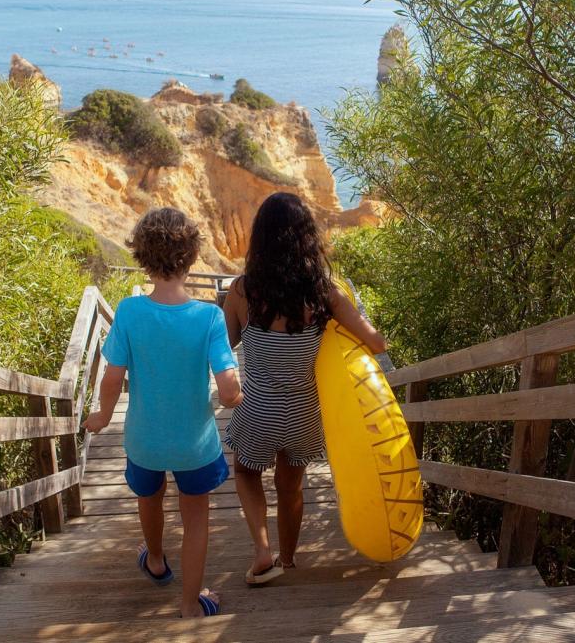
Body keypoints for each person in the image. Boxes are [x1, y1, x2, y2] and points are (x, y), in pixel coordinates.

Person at [83, 207, 243, 618]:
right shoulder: (208, 316)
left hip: (144, 440)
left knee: (149, 498)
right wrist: (232, 394)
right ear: (190, 258)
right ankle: (191, 605)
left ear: (143, 257)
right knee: (196, 520)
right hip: (195, 445)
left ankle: (155, 560)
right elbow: (228, 385)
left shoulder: (132, 311)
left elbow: (111, 378)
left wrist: (102, 415)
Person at [222, 192, 386, 585]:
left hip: (258, 409)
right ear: (306, 238)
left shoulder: (242, 291)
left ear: (260, 238)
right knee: (291, 487)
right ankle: (289, 560)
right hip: (304, 416)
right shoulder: (323, 292)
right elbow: (376, 344)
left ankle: (263, 551)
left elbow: (223, 347)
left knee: (245, 472)